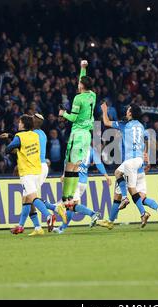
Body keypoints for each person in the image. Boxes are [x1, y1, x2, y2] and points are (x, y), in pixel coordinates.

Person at [101, 102, 158, 228]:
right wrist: (146, 153)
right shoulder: (141, 126)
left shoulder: (124, 124)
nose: (126, 111)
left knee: (121, 193)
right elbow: (147, 139)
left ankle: (113, 220)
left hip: (129, 163)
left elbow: (106, 122)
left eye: (128, 110)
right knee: (141, 197)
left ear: (130, 113)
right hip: (140, 164)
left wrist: (104, 110)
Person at [2, 114, 58, 235]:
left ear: (23, 124)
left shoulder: (19, 136)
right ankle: (24, 226)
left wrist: (11, 147)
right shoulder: (36, 135)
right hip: (37, 170)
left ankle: (49, 215)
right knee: (26, 199)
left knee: (32, 197)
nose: (18, 124)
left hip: (27, 171)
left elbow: (9, 148)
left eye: (19, 122)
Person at [57, 60, 96, 216]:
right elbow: (84, 83)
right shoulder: (92, 95)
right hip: (87, 135)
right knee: (76, 166)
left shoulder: (77, 99)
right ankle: (70, 197)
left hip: (77, 133)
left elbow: (72, 118)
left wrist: (63, 114)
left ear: (81, 86)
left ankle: (65, 198)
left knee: (69, 167)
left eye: (79, 83)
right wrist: (83, 69)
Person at [53, 145, 111, 234]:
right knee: (71, 207)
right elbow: (98, 163)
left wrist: (64, 174)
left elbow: (68, 162)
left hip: (73, 180)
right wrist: (106, 176)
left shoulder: (74, 146)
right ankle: (61, 229)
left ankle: (93, 214)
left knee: (70, 206)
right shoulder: (91, 149)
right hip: (83, 182)